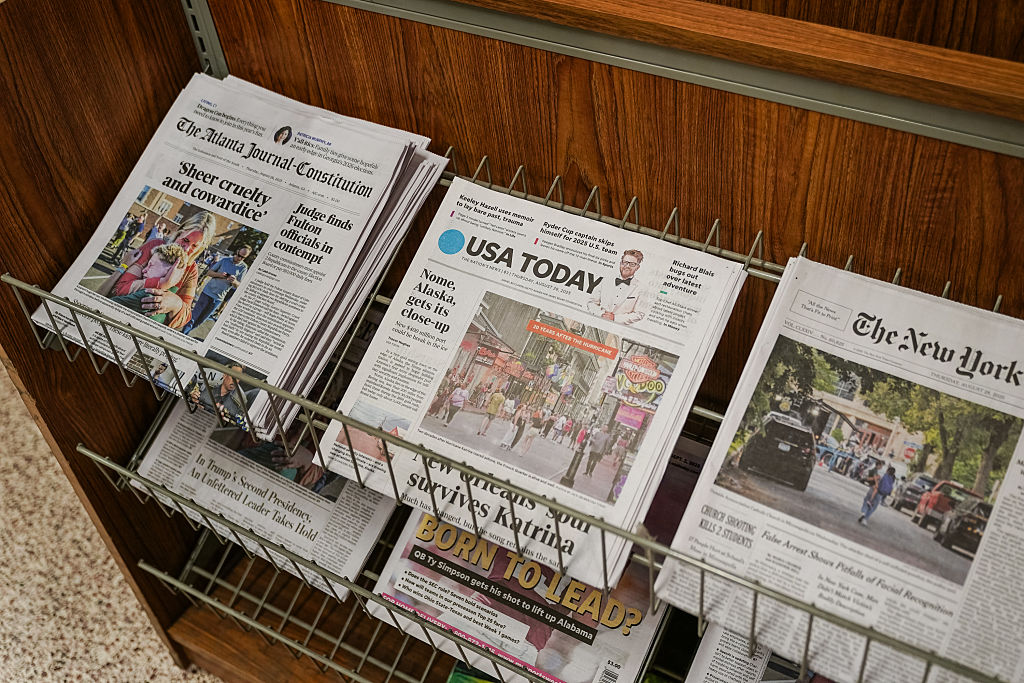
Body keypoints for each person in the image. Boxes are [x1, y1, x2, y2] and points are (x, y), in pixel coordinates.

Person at [111, 211, 217, 330]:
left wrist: (176, 304)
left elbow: (186, 316)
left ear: (200, 248)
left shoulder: (191, 270)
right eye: (185, 240)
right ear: (178, 233)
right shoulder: (154, 246)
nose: (186, 249)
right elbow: (117, 290)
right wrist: (161, 284)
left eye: (194, 246)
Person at [109, 243, 186, 323]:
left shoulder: (147, 297)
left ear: (169, 271)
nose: (144, 270)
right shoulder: (171, 300)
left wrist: (123, 266)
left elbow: (108, 301)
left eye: (151, 265)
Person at [182, 246, 251, 335]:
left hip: (219, 298)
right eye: (239, 255)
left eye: (243, 257)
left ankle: (186, 333)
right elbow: (209, 272)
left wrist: (234, 281)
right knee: (194, 316)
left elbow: (239, 285)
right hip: (207, 292)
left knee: (201, 320)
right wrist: (220, 275)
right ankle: (183, 334)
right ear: (237, 251)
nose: (239, 258)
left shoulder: (243, 267)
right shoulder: (224, 260)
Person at [586, 249, 650, 325]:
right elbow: (592, 302)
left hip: (618, 328)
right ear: (620, 263)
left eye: (632, 264)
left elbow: (639, 314)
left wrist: (615, 318)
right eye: (625, 262)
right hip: (597, 322)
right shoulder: (606, 280)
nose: (627, 266)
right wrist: (601, 314)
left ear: (637, 267)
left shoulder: (642, 288)